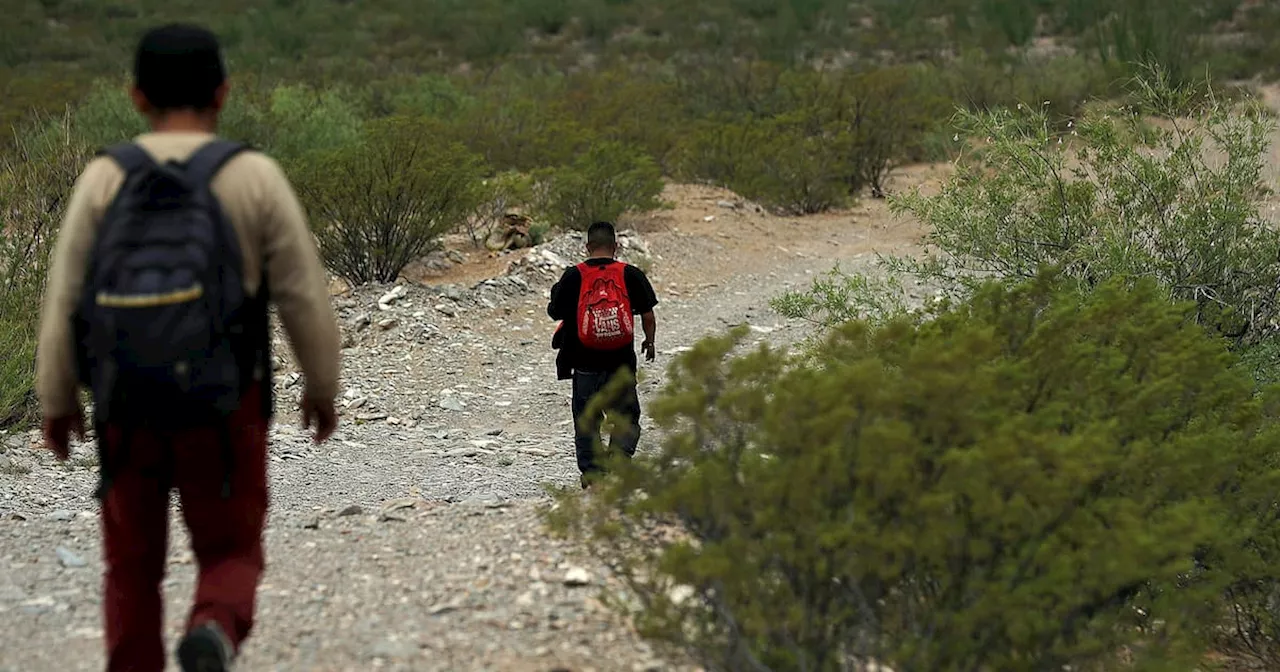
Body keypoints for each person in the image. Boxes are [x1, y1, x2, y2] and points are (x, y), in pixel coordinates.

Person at [35, 24, 341, 672]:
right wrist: (321, 388)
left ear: (136, 96)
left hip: (125, 405)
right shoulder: (253, 175)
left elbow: (64, 298)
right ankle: (214, 627)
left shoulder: (102, 179)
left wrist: (58, 401)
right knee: (231, 551)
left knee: (131, 570)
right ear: (223, 93)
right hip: (224, 404)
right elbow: (303, 296)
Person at [548, 221, 658, 488]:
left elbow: (555, 312)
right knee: (626, 416)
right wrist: (650, 342)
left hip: (584, 364)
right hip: (621, 363)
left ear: (587, 247)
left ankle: (593, 476)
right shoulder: (631, 274)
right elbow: (648, 315)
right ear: (616, 247)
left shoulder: (573, 275)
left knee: (587, 420)